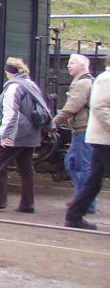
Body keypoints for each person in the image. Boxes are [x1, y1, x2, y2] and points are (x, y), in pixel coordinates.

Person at [0, 57, 49, 213]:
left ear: (10, 72)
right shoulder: (31, 84)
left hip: (15, 133)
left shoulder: (14, 87)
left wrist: (4, 135)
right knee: (26, 168)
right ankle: (27, 204)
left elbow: (10, 113)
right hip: (31, 132)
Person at [65, 54, 110, 230]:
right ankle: (74, 215)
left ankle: (74, 215)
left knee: (94, 180)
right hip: (104, 138)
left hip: (101, 137)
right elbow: (99, 107)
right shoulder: (106, 80)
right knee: (92, 177)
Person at [53, 54, 95, 215]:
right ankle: (81, 197)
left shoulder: (83, 83)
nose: (68, 66)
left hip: (84, 130)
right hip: (81, 130)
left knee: (82, 166)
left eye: (72, 63)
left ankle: (86, 202)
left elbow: (72, 107)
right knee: (71, 163)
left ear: (82, 66)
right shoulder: (83, 81)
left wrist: (54, 122)